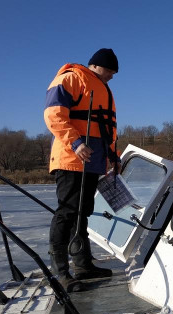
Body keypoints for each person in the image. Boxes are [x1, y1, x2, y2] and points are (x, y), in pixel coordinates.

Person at [44, 48, 121, 291]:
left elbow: (105, 128)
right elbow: (53, 114)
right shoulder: (71, 78)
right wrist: (75, 142)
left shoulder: (102, 89)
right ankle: (61, 272)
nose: (111, 76)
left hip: (92, 162)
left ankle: (83, 266)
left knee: (82, 213)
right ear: (97, 66)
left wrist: (113, 156)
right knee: (67, 213)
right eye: (109, 70)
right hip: (71, 158)